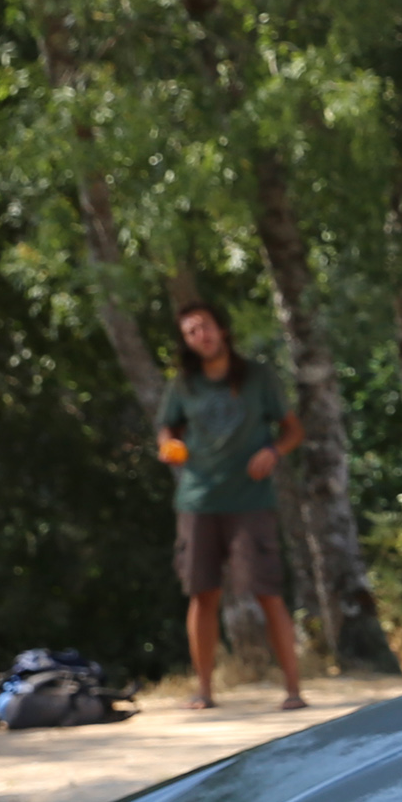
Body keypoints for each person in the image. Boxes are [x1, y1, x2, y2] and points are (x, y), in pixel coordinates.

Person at [152, 298, 307, 713]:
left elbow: (293, 429)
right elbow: (167, 426)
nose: (199, 336)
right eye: (190, 332)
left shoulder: (257, 377)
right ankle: (204, 690)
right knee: (202, 593)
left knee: (267, 592)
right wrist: (168, 445)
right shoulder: (183, 383)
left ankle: (293, 689)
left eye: (204, 326)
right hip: (198, 500)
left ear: (221, 328)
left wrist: (273, 452)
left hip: (250, 501)